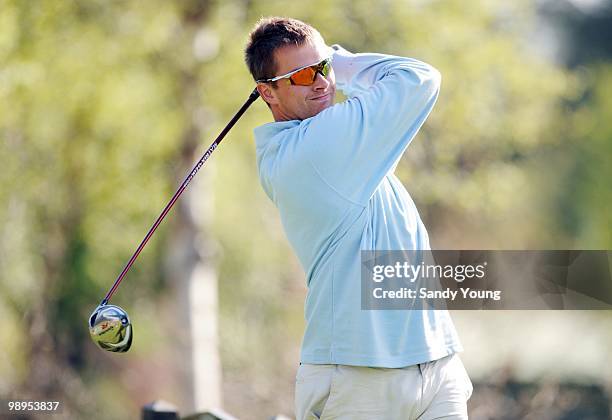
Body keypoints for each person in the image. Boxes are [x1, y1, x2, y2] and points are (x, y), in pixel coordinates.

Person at [244, 17, 473, 419]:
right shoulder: (316, 149)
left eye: (323, 69)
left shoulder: (320, 141)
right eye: (302, 75)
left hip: (433, 361)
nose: (320, 82)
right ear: (267, 93)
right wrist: (339, 61)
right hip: (358, 377)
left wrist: (322, 65)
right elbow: (419, 78)